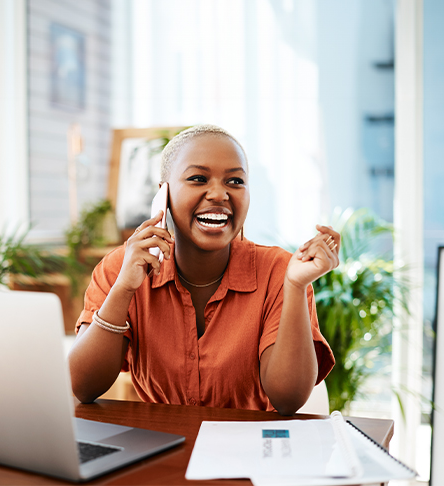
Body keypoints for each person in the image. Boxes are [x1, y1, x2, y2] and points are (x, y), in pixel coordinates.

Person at [68, 125, 337, 415]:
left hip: (252, 449)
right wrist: (123, 289)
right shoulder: (120, 268)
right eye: (198, 178)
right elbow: (84, 387)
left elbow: (288, 398)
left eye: (235, 181)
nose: (219, 194)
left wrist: (295, 287)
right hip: (165, 447)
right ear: (164, 194)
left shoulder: (281, 272)